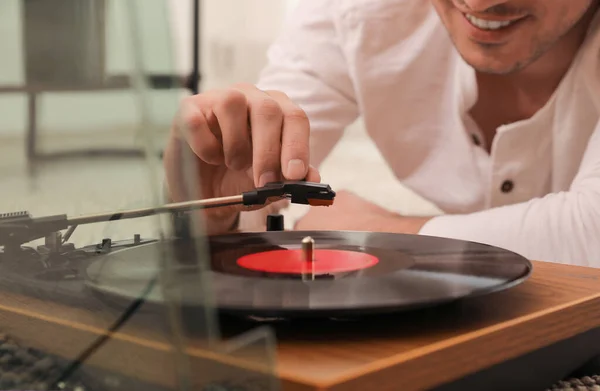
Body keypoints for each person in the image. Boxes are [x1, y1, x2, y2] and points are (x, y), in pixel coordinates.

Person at [163, 0, 600, 266]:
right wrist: (218, 209)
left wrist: (377, 233)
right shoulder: (356, 12)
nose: (479, 2)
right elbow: (261, 160)